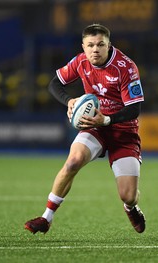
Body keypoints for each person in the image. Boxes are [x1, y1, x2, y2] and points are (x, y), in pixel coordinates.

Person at [25, 24, 146, 234]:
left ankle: (131, 207)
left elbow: (134, 109)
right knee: (73, 161)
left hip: (123, 131)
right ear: (83, 46)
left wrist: (106, 120)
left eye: (100, 44)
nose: (95, 50)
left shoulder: (126, 67)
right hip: (94, 127)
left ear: (109, 45)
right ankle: (46, 218)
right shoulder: (80, 61)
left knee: (128, 194)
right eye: (90, 45)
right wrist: (69, 101)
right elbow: (54, 84)